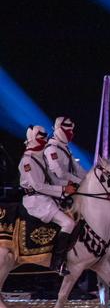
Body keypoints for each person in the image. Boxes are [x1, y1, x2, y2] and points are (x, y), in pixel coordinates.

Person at [19, 126, 77, 275]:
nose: (44, 140)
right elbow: (37, 186)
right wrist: (63, 190)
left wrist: (68, 185)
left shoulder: (40, 156)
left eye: (45, 137)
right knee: (68, 223)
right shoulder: (27, 160)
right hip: (36, 201)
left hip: (48, 198)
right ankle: (58, 263)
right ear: (32, 138)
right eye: (40, 137)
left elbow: (51, 180)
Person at [44, 117, 84, 187]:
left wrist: (88, 178)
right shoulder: (51, 148)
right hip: (57, 190)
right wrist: (80, 182)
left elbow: (77, 168)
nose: (71, 133)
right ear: (59, 130)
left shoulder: (64, 147)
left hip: (70, 187)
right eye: (68, 131)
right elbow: (59, 173)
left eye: (71, 130)